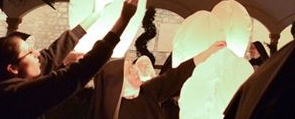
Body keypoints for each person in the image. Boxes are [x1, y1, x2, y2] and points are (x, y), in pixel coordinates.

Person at [0, 0, 140, 119]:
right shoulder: (11, 98)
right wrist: (123, 20)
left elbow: (52, 54)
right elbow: (76, 75)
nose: (37, 53)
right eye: (30, 53)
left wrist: (95, 13)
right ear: (13, 68)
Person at [90, 41, 226, 119]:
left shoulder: (146, 90)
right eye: (129, 71)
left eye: (132, 67)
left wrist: (208, 53)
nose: (135, 71)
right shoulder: (116, 113)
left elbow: (176, 76)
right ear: (117, 83)